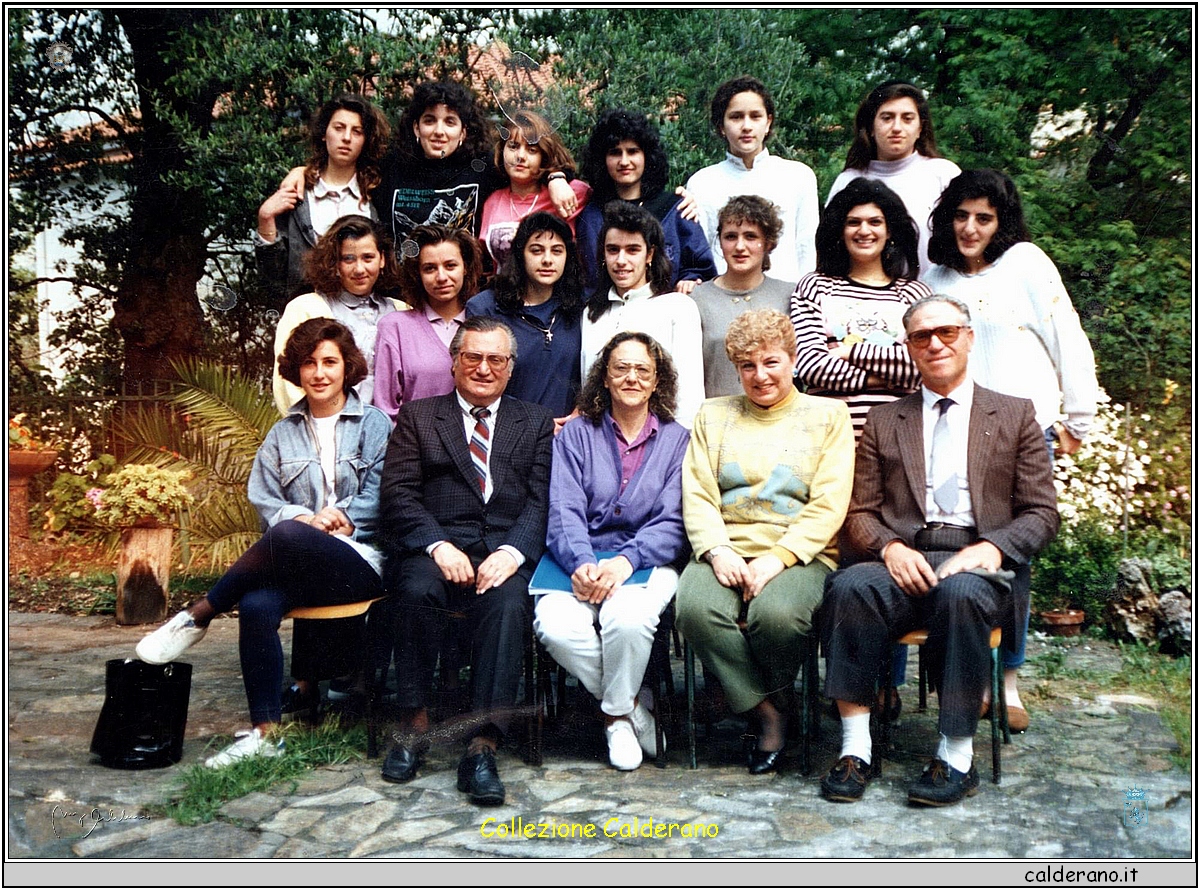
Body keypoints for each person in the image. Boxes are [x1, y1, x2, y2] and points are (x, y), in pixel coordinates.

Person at [819, 294, 1058, 806]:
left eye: (947, 331)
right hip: (907, 553)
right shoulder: (885, 421)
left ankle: (955, 756)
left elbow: (1041, 512)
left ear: (969, 337)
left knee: (964, 595)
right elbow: (859, 513)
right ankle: (856, 749)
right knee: (849, 586)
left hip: (977, 560)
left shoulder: (1015, 415)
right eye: (922, 336)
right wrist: (889, 549)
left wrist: (995, 548)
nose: (935, 343)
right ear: (908, 348)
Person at [134, 319, 392, 767]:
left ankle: (199, 614)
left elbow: (382, 492)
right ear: (296, 370)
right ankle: (265, 732)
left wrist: (342, 518)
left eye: (329, 362)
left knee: (290, 533)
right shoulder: (281, 433)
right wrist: (305, 519)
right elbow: (266, 501)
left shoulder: (375, 425)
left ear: (347, 367)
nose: (319, 373)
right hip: (299, 559)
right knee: (256, 605)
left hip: (360, 561)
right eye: (308, 363)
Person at [924, 169, 1100, 729]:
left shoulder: (1025, 263)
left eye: (984, 218)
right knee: (959, 549)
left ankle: (1009, 682)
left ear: (1001, 222)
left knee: (1011, 552)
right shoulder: (933, 276)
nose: (970, 228)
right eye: (960, 216)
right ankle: (966, 678)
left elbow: (1065, 334)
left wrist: (1079, 418)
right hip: (953, 429)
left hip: (1024, 431)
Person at [378, 316, 554, 806]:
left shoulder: (535, 422)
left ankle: (482, 744)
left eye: (495, 358)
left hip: (501, 549)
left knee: (509, 603)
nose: (483, 367)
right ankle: (413, 723)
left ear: (510, 367)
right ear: (454, 362)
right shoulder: (418, 417)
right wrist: (438, 544)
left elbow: (541, 502)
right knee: (414, 590)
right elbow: (399, 495)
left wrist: (512, 551)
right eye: (472, 357)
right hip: (434, 549)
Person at [675, 309, 853, 775]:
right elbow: (697, 493)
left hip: (799, 552)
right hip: (726, 547)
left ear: (792, 359)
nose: (760, 376)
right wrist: (717, 550)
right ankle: (770, 710)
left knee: (777, 617)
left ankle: (745, 695)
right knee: (694, 608)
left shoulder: (828, 415)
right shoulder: (714, 415)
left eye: (772, 362)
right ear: (735, 369)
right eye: (748, 366)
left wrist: (777, 559)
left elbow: (830, 504)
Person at [533, 332, 690, 770]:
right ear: (604, 376)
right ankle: (627, 708)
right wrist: (582, 563)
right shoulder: (576, 436)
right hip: (577, 558)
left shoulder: (678, 440)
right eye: (621, 368)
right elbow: (563, 508)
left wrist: (626, 561)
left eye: (643, 369)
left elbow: (673, 520)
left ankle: (614, 718)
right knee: (557, 628)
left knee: (630, 618)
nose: (631, 378)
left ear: (658, 380)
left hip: (644, 562)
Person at [278, 81, 578, 257]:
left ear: (463, 132)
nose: (439, 131)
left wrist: (556, 178)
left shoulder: (484, 166)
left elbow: (531, 162)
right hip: (401, 298)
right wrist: (303, 171)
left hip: (465, 300)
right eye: (429, 120)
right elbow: (343, 165)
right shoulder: (390, 166)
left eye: (450, 122)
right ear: (416, 127)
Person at [792, 177, 930, 439]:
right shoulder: (815, 287)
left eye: (875, 222)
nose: (864, 231)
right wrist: (887, 378)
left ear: (889, 230)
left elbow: (921, 364)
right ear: (840, 230)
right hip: (829, 440)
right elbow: (810, 365)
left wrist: (847, 352)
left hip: (900, 438)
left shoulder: (914, 293)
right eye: (853, 222)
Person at [256, 94, 390, 305]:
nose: (346, 138)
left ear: (366, 141)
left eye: (357, 132)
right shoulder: (297, 194)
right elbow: (271, 278)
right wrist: (265, 218)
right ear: (323, 134)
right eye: (339, 128)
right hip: (308, 318)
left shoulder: (377, 194)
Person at [580, 202, 705, 427]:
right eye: (613, 250)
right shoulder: (592, 313)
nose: (621, 261)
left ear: (650, 254)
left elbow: (689, 398)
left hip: (663, 443)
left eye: (633, 250)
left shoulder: (678, 308)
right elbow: (588, 388)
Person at [686, 76, 818, 284]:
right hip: (724, 299)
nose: (746, 126)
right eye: (736, 117)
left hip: (786, 299)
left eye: (755, 116)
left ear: (768, 122)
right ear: (721, 126)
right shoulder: (703, 183)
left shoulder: (798, 177)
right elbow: (700, 252)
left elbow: (807, 248)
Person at [271, 215, 403, 416]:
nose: (359, 269)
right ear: (335, 263)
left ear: (382, 259)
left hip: (393, 436)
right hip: (324, 434)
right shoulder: (304, 309)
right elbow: (288, 385)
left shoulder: (402, 311)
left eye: (368, 258)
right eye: (348, 259)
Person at [826, 81, 960, 275]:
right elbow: (831, 247)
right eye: (887, 118)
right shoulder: (848, 181)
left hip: (934, 296)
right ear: (871, 127)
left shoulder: (944, 174)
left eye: (907, 119)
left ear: (920, 127)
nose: (897, 127)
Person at [577, 108, 715, 294]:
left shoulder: (676, 208)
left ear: (647, 156)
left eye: (633, 151)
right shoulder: (593, 214)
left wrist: (690, 281)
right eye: (615, 152)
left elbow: (701, 268)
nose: (624, 161)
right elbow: (588, 279)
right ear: (602, 159)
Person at [466, 212, 585, 425]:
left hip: (568, 439)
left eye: (557, 251)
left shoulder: (580, 307)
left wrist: (581, 410)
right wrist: (539, 426)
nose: (547, 260)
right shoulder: (486, 308)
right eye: (536, 250)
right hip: (507, 436)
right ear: (520, 254)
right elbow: (477, 385)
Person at [373, 224, 483, 421]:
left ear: (465, 268)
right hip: (415, 446)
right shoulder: (395, 327)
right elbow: (385, 409)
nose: (441, 277)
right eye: (430, 268)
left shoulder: (485, 325)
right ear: (417, 274)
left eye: (450, 266)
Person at [690, 195, 793, 398]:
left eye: (750, 236)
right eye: (730, 236)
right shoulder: (695, 299)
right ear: (720, 241)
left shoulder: (790, 295)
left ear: (768, 243)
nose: (739, 246)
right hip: (717, 419)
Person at [479, 109, 591, 271]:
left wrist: (557, 178)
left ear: (543, 155)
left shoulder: (571, 192)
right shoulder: (493, 201)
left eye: (532, 149)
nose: (520, 156)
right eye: (513, 146)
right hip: (505, 293)